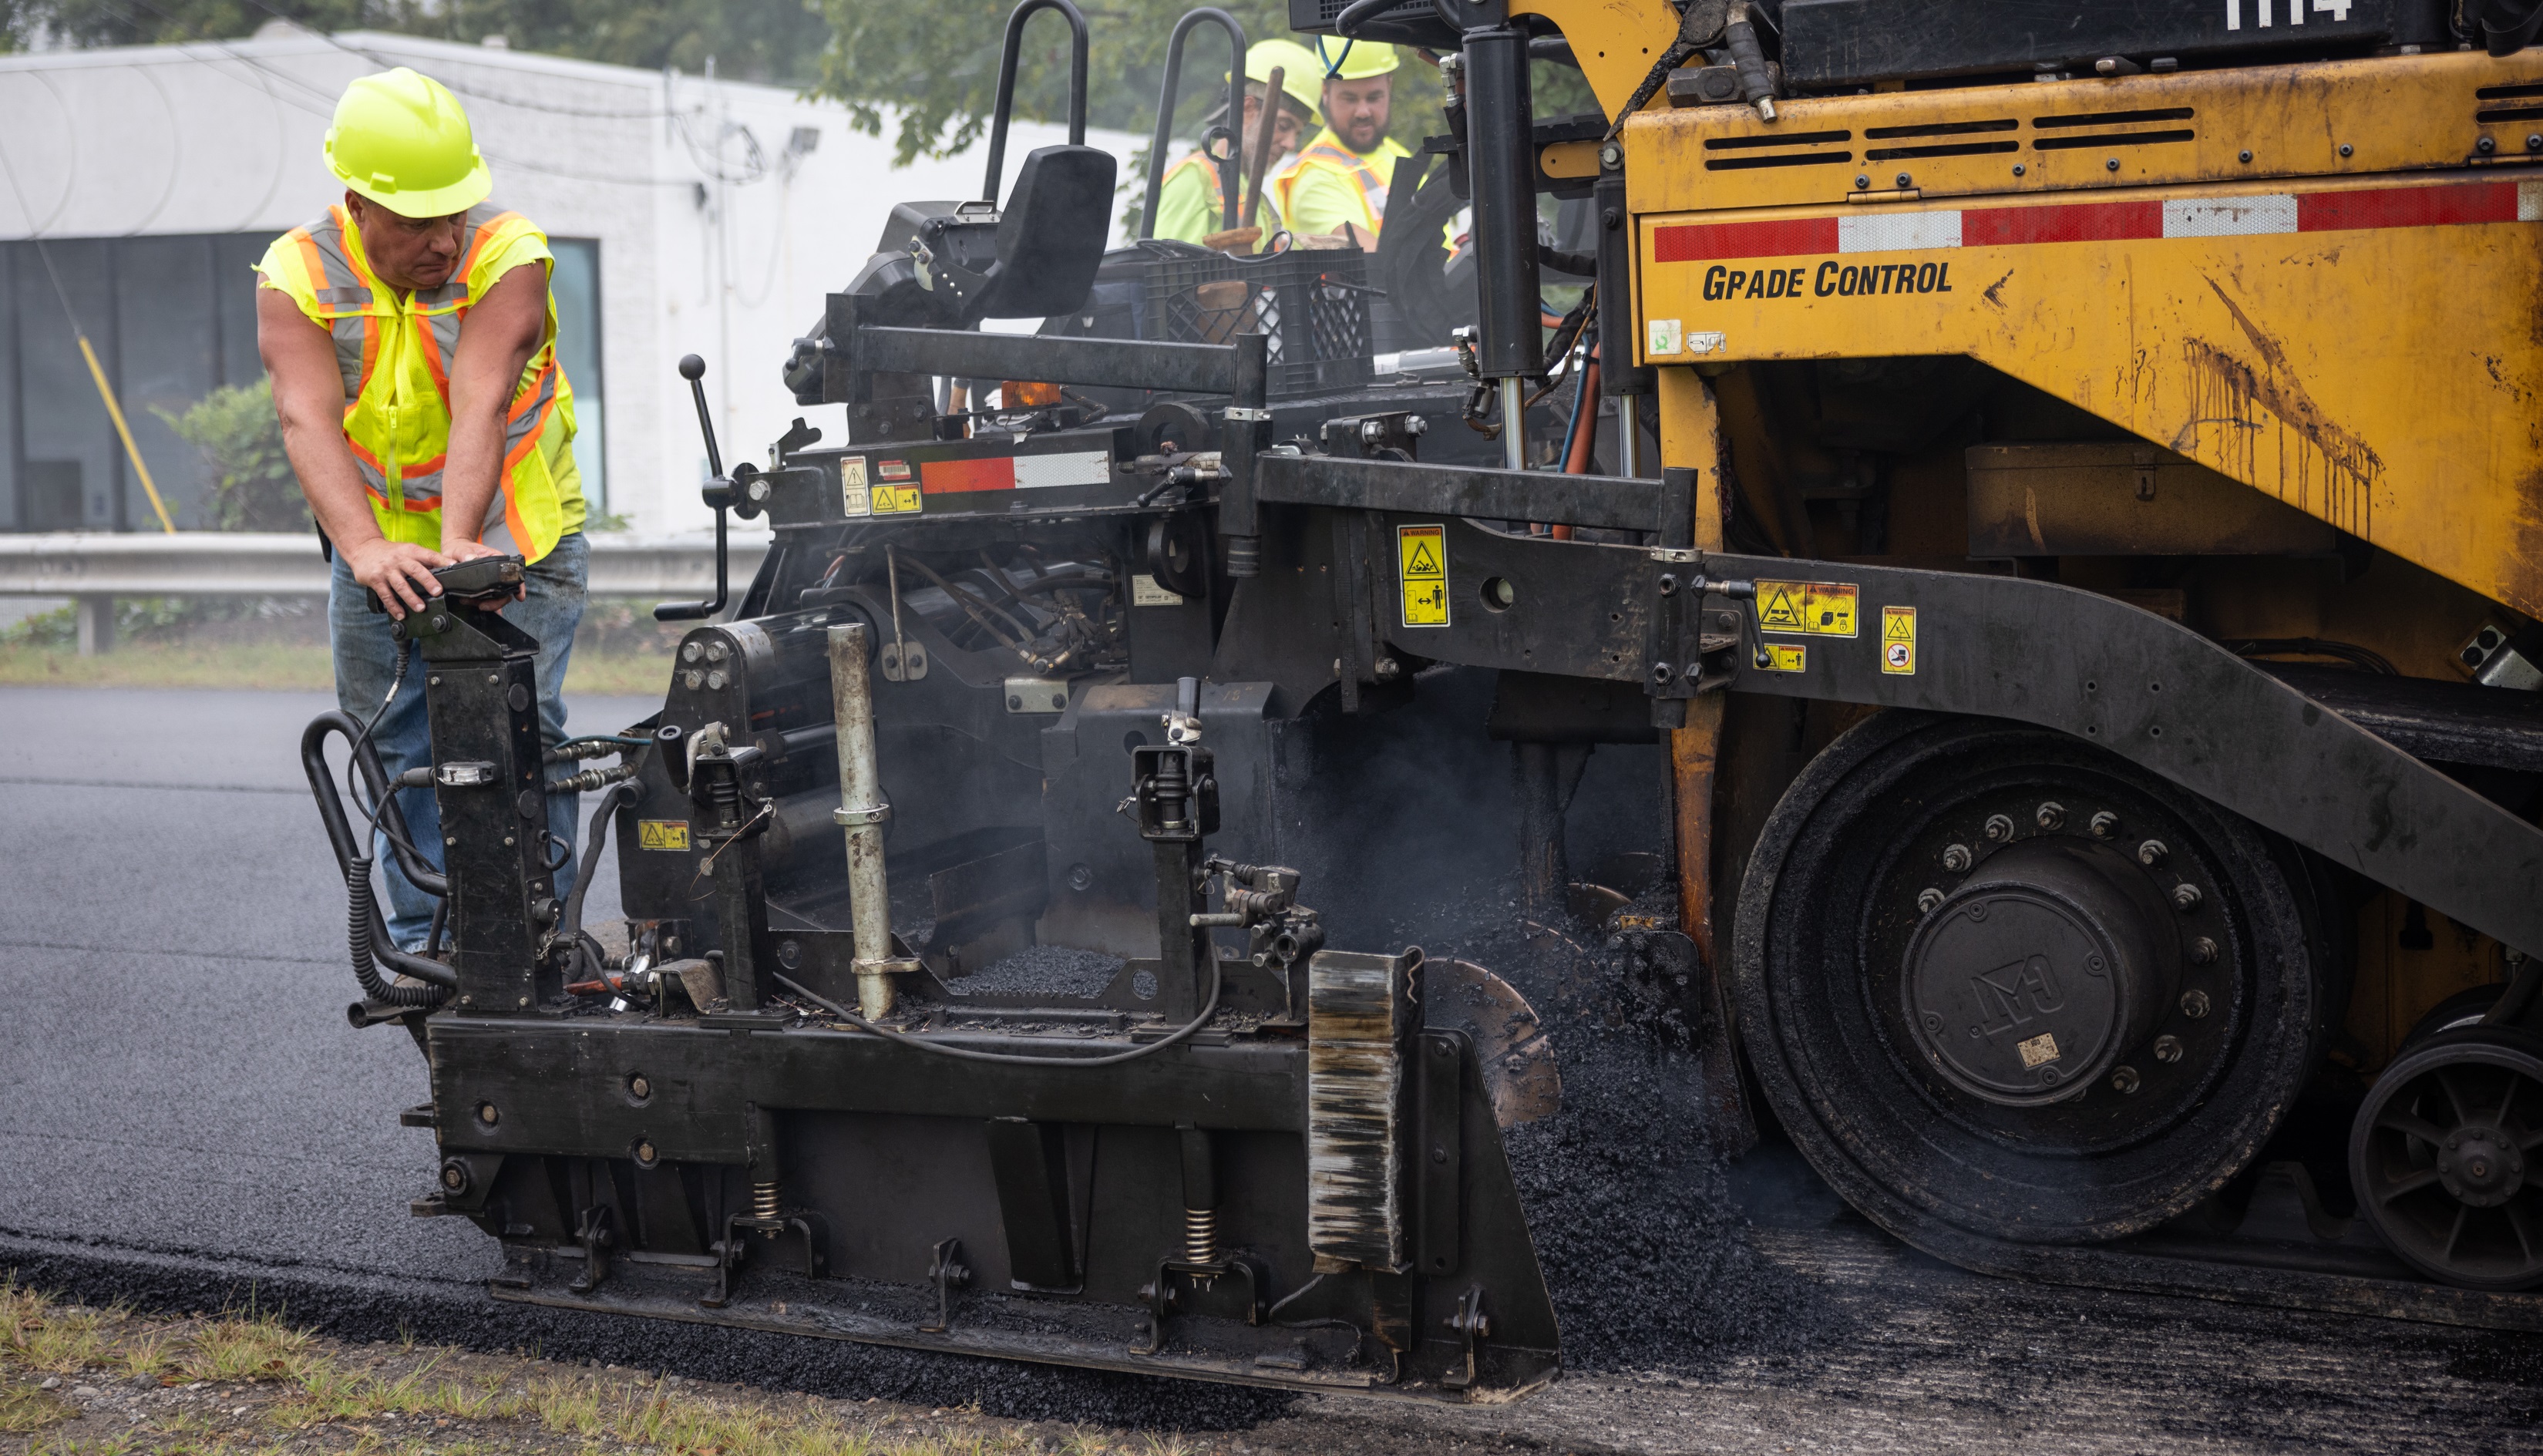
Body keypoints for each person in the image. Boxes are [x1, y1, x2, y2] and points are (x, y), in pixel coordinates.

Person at [257, 67, 590, 951]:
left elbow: (481, 399)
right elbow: (305, 417)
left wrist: (463, 549)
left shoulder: (510, 253)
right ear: (356, 204)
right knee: (398, 751)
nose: (444, 240)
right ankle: (427, 955)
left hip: (515, 539)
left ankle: (545, 944)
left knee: (527, 739)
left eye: (455, 212)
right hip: (375, 555)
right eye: (416, 223)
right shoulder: (296, 272)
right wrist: (363, 547)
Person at [1149, 38, 1323, 250]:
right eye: (1284, 125)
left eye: (1297, 132)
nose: (1290, 144)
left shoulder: (1256, 197)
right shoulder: (1195, 178)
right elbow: (1169, 273)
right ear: (1247, 109)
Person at [1270, 39, 1411, 246]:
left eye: (1373, 98)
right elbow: (1371, 262)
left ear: (1389, 84)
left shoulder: (1394, 153)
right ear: (1325, 92)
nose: (1363, 112)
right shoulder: (1315, 177)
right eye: (1350, 99)